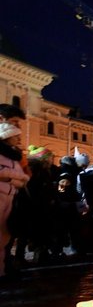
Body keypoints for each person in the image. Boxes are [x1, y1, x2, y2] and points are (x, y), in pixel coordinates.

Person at [0, 105, 30, 280]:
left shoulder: (15, 154)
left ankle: (3, 269)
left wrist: (18, 178)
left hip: (11, 196)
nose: (18, 128)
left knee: (5, 236)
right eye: (14, 123)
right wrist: (15, 178)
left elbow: (25, 175)